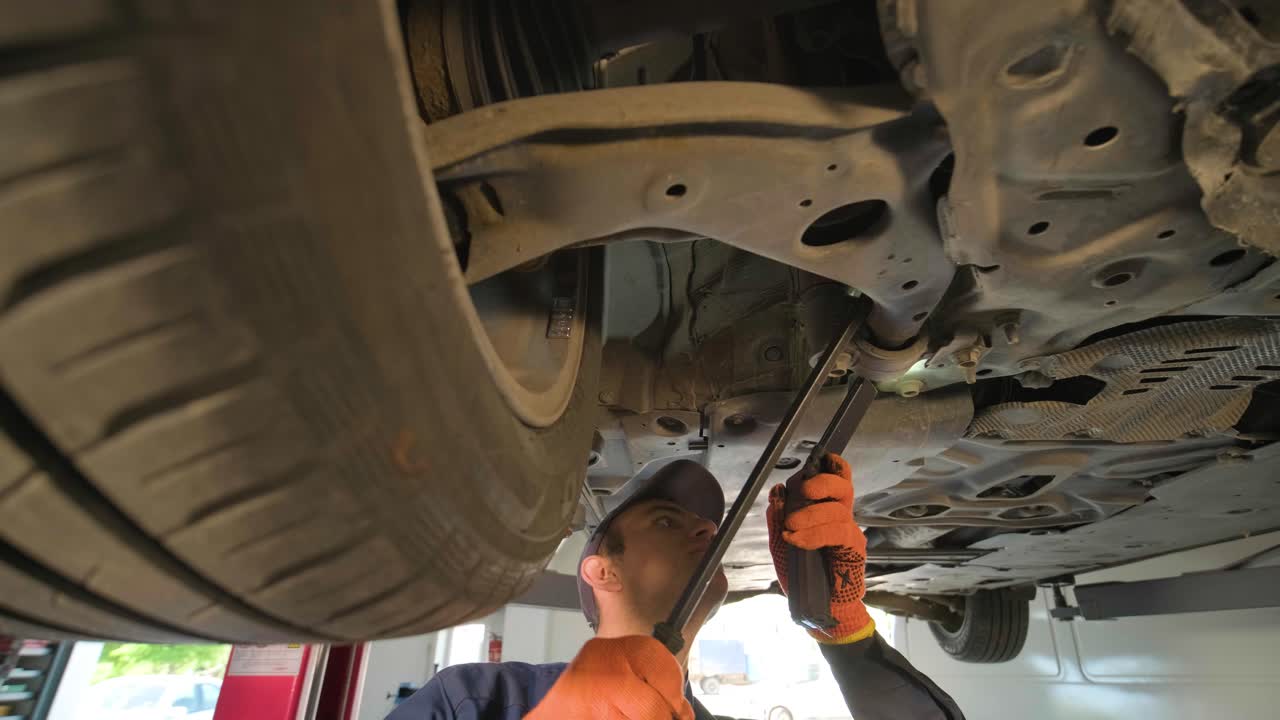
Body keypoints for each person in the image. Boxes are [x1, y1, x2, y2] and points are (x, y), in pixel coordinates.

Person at [388, 455, 964, 719]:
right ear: (601, 571)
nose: (703, 530)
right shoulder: (475, 701)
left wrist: (843, 628)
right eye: (666, 520)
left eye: (706, 527)